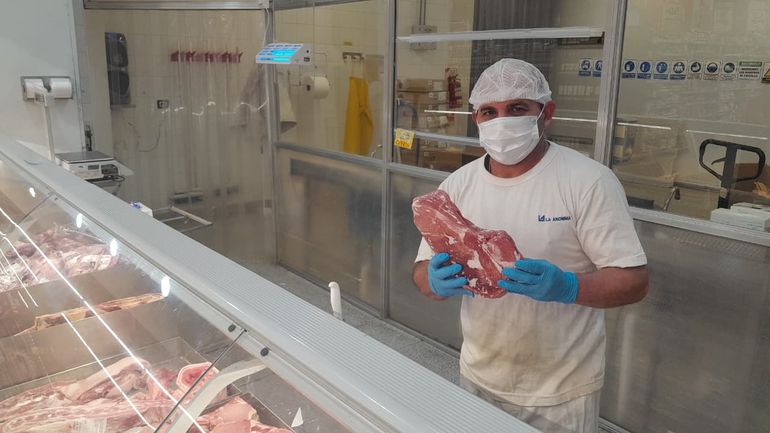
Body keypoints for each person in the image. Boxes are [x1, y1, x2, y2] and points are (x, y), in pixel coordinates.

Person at [412, 59, 649, 433]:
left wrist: (568, 287)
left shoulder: (588, 181)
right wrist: (433, 281)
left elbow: (633, 282)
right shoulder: (456, 187)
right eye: (490, 111)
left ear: (546, 113)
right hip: (478, 376)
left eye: (517, 108)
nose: (502, 121)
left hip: (560, 392)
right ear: (476, 119)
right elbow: (421, 273)